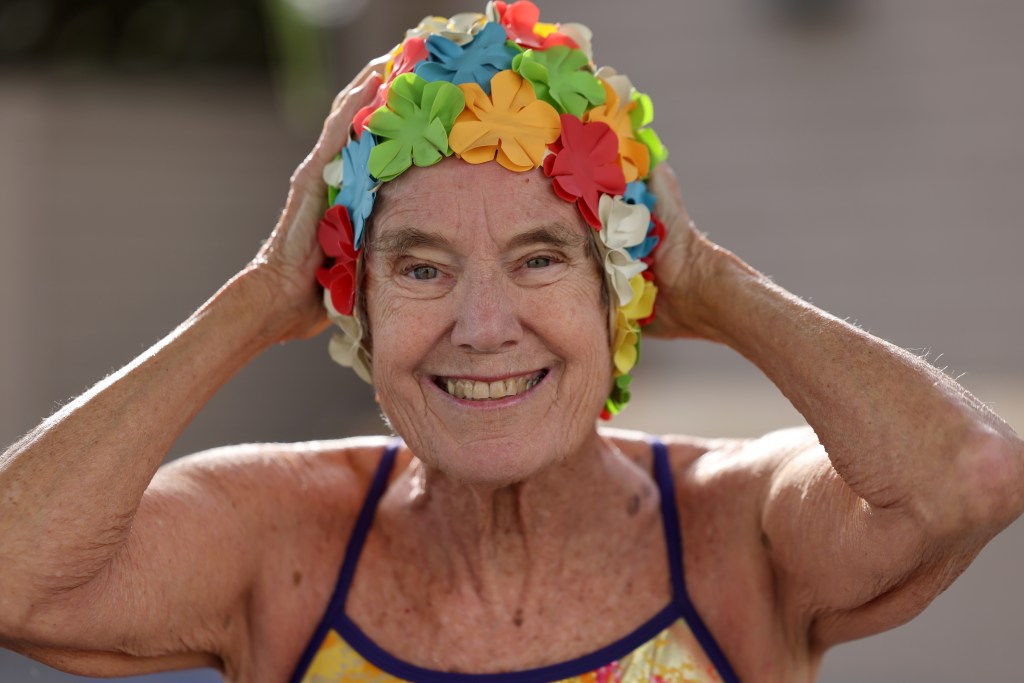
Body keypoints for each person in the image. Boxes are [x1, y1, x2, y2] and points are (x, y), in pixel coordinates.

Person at [1, 3, 1021, 682]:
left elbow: (970, 474)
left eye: (540, 260)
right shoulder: (279, 536)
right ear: (352, 306)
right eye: (421, 268)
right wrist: (258, 298)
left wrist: (712, 281)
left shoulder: (733, 529)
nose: (483, 328)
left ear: (618, 296)